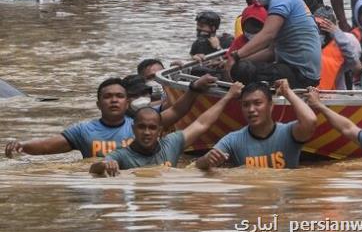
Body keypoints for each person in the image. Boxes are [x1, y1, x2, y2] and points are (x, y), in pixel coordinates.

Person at [4, 75, 216, 159]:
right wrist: (21, 145)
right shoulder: (83, 130)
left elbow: (177, 112)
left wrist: (193, 89)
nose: (113, 100)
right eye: (107, 97)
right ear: (98, 104)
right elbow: (48, 145)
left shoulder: (143, 125)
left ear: (127, 102)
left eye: (119, 96)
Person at [89, 82, 244, 176]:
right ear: (133, 129)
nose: (147, 132)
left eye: (152, 128)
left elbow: (201, 124)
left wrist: (228, 97)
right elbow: (94, 169)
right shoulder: (121, 155)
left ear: (160, 131)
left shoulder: (172, 143)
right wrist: (103, 166)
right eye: (142, 127)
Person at [227, 0, 321, 89]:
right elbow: (271, 51)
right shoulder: (280, 0)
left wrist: (236, 56)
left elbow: (268, 34)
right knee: (242, 65)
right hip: (301, 73)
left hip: (300, 74)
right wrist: (239, 60)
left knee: (241, 70)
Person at [195, 80, 318, 169]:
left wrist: (288, 93)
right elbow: (197, 165)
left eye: (257, 103)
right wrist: (206, 161)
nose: (251, 109)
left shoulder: (289, 133)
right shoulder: (233, 140)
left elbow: (310, 121)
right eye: (246, 105)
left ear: (271, 105)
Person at [314, 6, 362, 90]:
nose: (321, 29)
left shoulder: (347, 39)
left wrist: (337, 34)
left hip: (337, 91)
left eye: (325, 25)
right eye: (318, 26)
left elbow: (356, 66)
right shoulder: (309, 39)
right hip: (313, 90)